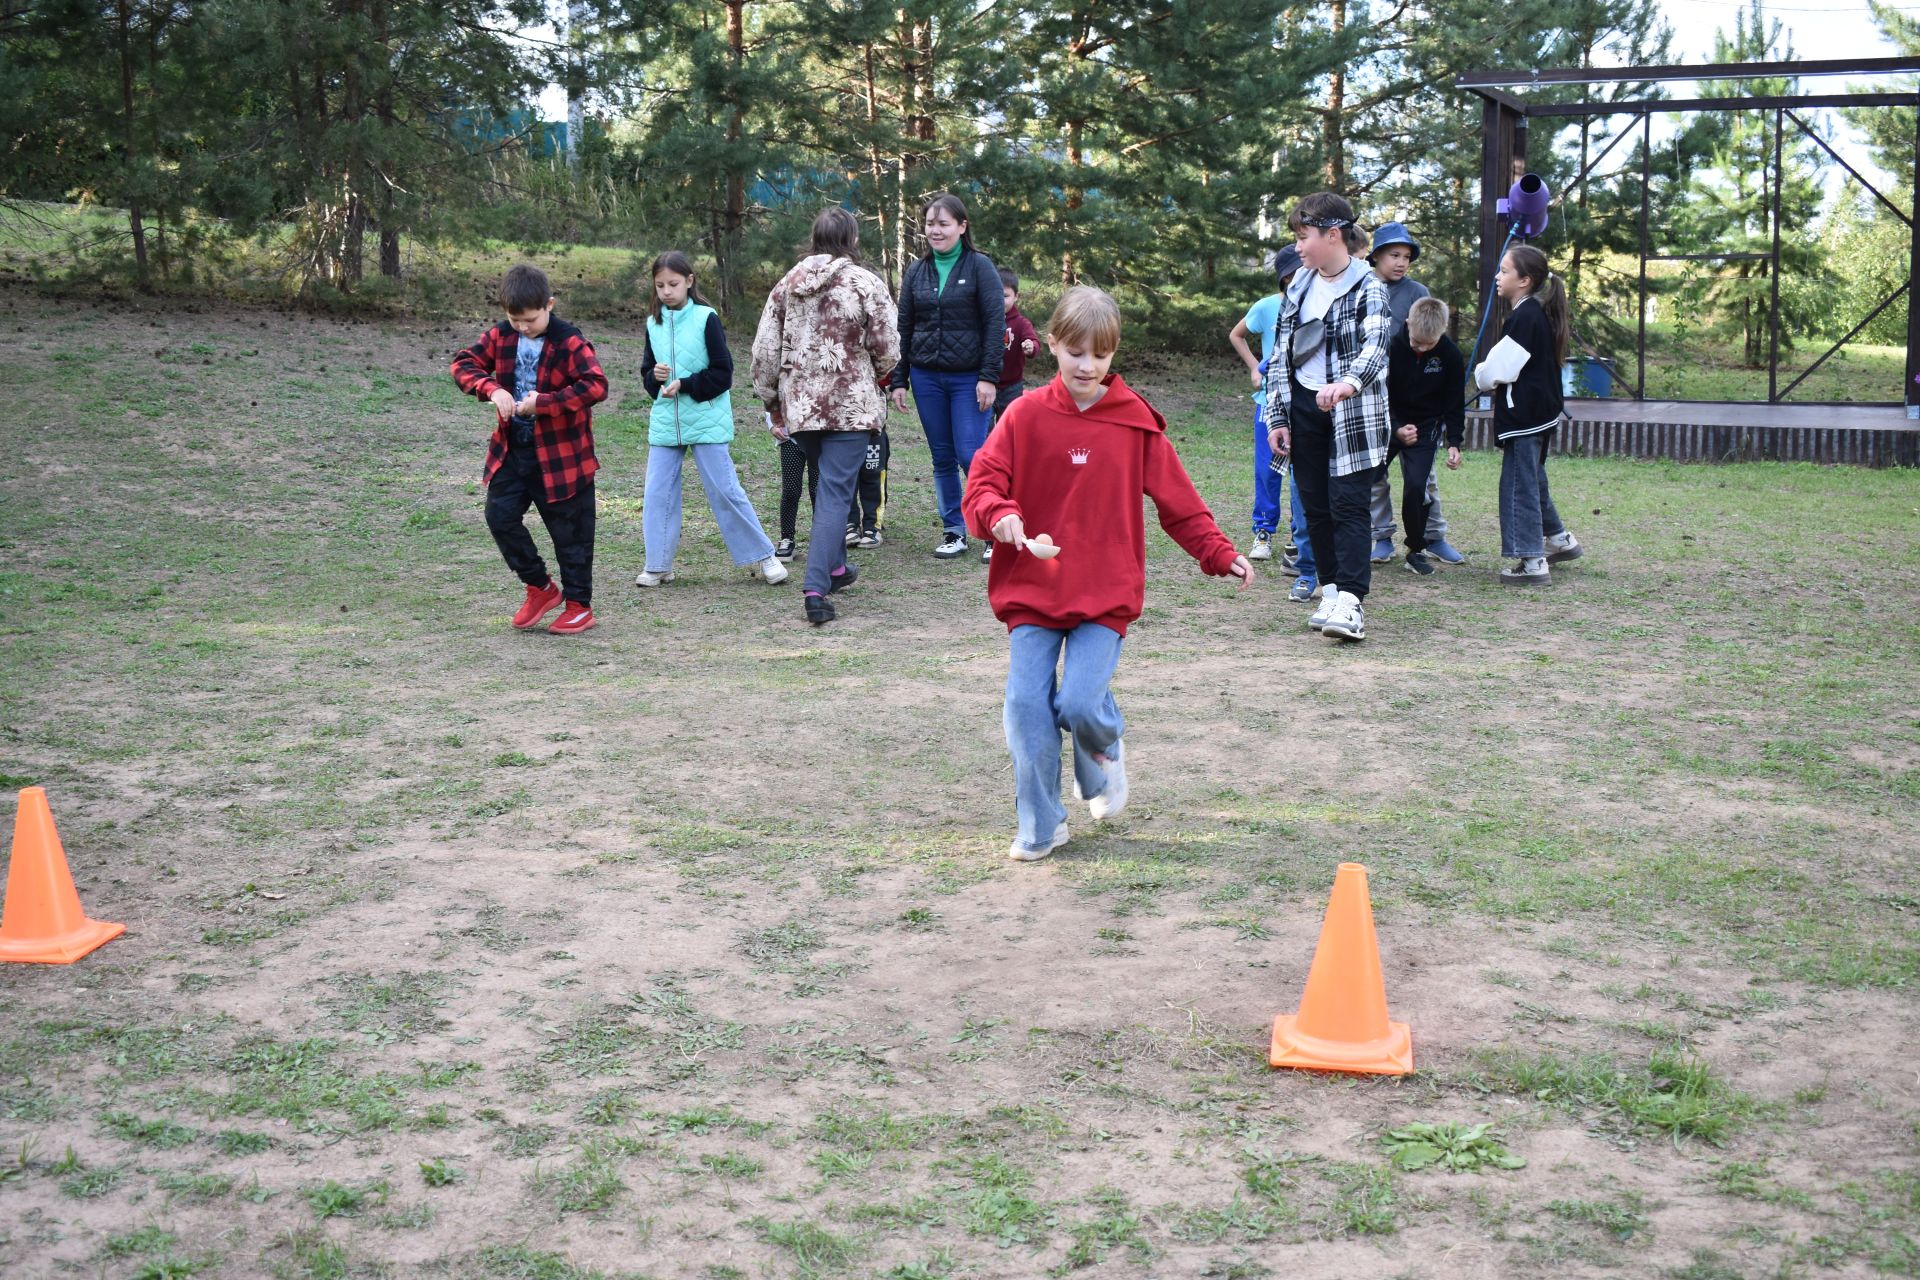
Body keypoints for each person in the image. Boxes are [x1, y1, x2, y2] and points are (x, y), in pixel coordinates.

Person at [964, 287, 1252, 861]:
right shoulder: (1023, 416)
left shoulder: (1135, 424)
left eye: (1099, 355)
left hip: (1104, 594)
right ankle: (1042, 824)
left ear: (1114, 354)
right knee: (1025, 705)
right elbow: (982, 485)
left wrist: (1218, 552)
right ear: (1051, 346)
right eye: (1075, 353)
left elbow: (1180, 504)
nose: (1086, 366)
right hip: (1031, 591)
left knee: (1078, 704)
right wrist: (1001, 517)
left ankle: (1103, 753)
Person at [751, 207, 901, 625]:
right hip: (850, 407)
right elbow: (888, 345)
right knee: (836, 493)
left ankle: (835, 568)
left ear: (814, 238)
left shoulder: (786, 285)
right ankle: (816, 589)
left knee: (829, 488)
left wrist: (770, 400)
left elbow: (764, 350)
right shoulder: (864, 282)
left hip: (801, 408)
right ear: (852, 240)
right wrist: (882, 373)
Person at [451, 263, 608, 635]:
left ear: (549, 305)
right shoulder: (500, 336)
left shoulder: (570, 342)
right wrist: (494, 389)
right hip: (513, 450)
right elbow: (463, 364)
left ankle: (578, 606)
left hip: (562, 458)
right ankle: (539, 587)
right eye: (514, 318)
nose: (522, 326)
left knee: (571, 534)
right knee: (499, 516)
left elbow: (596, 386)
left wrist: (545, 403)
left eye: (530, 320)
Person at [1263, 192, 1392, 644]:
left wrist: (1349, 384)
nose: (1298, 248)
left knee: (1348, 504)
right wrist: (1278, 416)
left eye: (1304, 237)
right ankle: (1331, 591)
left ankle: (1353, 601)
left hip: (1353, 415)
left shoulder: (1368, 286)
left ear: (1332, 235)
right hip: (1303, 409)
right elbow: (1282, 354)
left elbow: (1377, 346)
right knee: (1314, 504)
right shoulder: (1298, 284)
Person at [636, 251, 787, 589]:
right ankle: (658, 565)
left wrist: (686, 384)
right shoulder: (652, 323)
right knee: (657, 493)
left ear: (689, 281)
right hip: (665, 423)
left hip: (706, 421)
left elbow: (723, 373)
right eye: (659, 285)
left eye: (673, 284)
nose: (666, 291)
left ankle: (765, 556)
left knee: (725, 490)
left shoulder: (707, 318)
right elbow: (648, 375)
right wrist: (655, 377)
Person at [888, 193, 1006, 560]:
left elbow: (994, 324)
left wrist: (988, 377)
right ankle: (954, 530)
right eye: (929, 224)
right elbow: (903, 327)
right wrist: (898, 378)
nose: (935, 231)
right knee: (941, 456)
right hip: (926, 378)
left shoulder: (980, 267)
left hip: (969, 379)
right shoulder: (915, 271)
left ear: (961, 227)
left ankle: (993, 529)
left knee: (971, 455)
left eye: (943, 224)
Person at [1478, 244, 1584, 586]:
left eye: (1505, 271)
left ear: (1524, 280)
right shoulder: (1534, 312)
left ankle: (1533, 561)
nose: (1497, 276)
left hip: (1525, 418)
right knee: (1532, 478)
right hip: (1539, 414)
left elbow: (1497, 370)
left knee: (1519, 485)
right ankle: (1558, 539)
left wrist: (1481, 374)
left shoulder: (1525, 316)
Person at [1362, 223, 1464, 568]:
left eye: (1406, 256)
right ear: (1375, 255)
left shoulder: (1417, 291)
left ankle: (1433, 536)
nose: (1401, 262)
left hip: (1419, 404)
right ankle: (1380, 536)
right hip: (1376, 396)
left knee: (1424, 480)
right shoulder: (1361, 287)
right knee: (1375, 475)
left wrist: (1453, 436)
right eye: (1394, 255)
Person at [1229, 246, 1318, 601]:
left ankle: (1300, 542)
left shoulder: (1318, 304)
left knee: (1302, 478)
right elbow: (1237, 334)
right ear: (1283, 279)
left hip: (1306, 406)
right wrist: (1255, 366)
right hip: (1270, 403)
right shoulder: (1267, 307)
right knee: (1268, 472)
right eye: (1294, 275)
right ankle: (1263, 532)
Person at [1384, 297, 1466, 577]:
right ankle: (1365, 539)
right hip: (1388, 423)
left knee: (1417, 487)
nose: (1420, 347)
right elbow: (1380, 394)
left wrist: (1454, 442)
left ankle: (1416, 548)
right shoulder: (1391, 347)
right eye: (1416, 341)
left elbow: (1454, 403)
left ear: (1442, 331)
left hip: (1425, 428)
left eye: (1427, 345)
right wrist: (1396, 427)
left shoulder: (1451, 356)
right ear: (1408, 323)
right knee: (1362, 479)